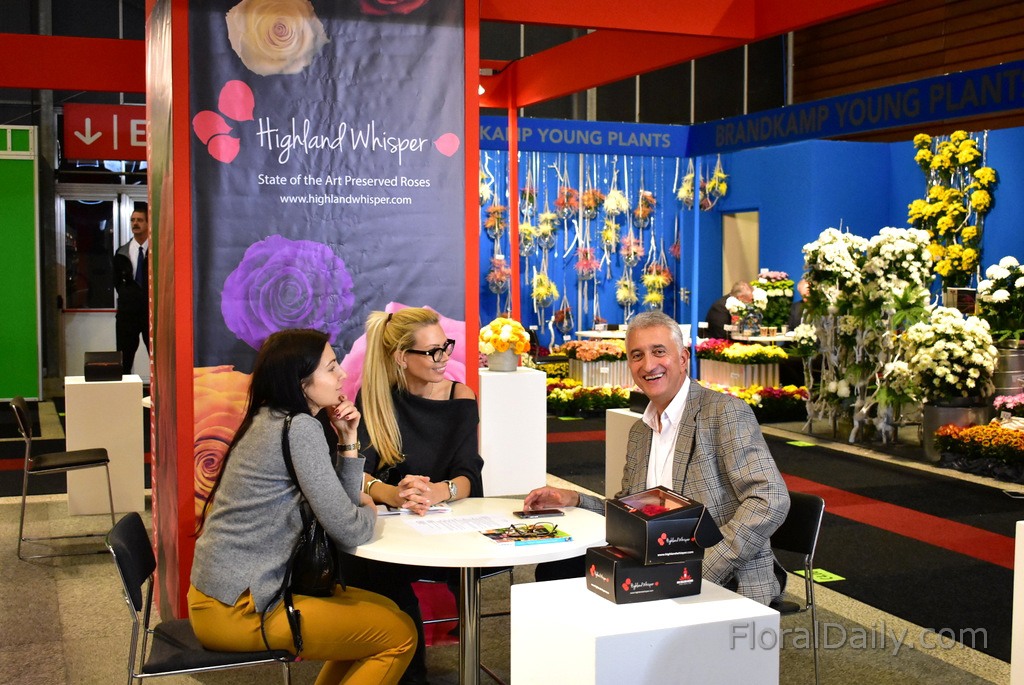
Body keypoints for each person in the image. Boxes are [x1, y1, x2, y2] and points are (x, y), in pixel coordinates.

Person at [188, 329, 416, 685]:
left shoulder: (274, 417)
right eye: (331, 367)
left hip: (229, 597)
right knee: (399, 634)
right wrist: (370, 511)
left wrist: (348, 441)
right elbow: (349, 529)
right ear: (301, 382)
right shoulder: (299, 428)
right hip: (240, 608)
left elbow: (340, 507)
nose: (342, 374)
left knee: (388, 610)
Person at [525, 311, 791, 606]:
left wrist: (704, 567)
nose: (649, 365)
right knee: (554, 572)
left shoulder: (724, 413)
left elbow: (770, 498)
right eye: (637, 355)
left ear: (683, 358)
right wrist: (574, 499)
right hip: (656, 564)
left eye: (659, 352)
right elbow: (629, 513)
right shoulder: (641, 432)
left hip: (724, 574)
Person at [345, 307, 483, 685]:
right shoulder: (375, 398)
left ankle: (409, 668)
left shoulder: (461, 396)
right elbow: (356, 472)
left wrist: (440, 491)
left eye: (446, 346)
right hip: (395, 529)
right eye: (433, 351)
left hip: (450, 526)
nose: (444, 357)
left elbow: (469, 474)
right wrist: (394, 493)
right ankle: (406, 670)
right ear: (401, 357)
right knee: (373, 565)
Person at [113, 204, 150, 374]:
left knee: (158, 359)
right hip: (127, 315)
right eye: (133, 220)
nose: (135, 223)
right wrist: (128, 295)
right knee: (124, 360)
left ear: (148, 223)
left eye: (140, 220)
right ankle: (124, 390)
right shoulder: (121, 252)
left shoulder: (158, 251)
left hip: (150, 314)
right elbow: (116, 281)